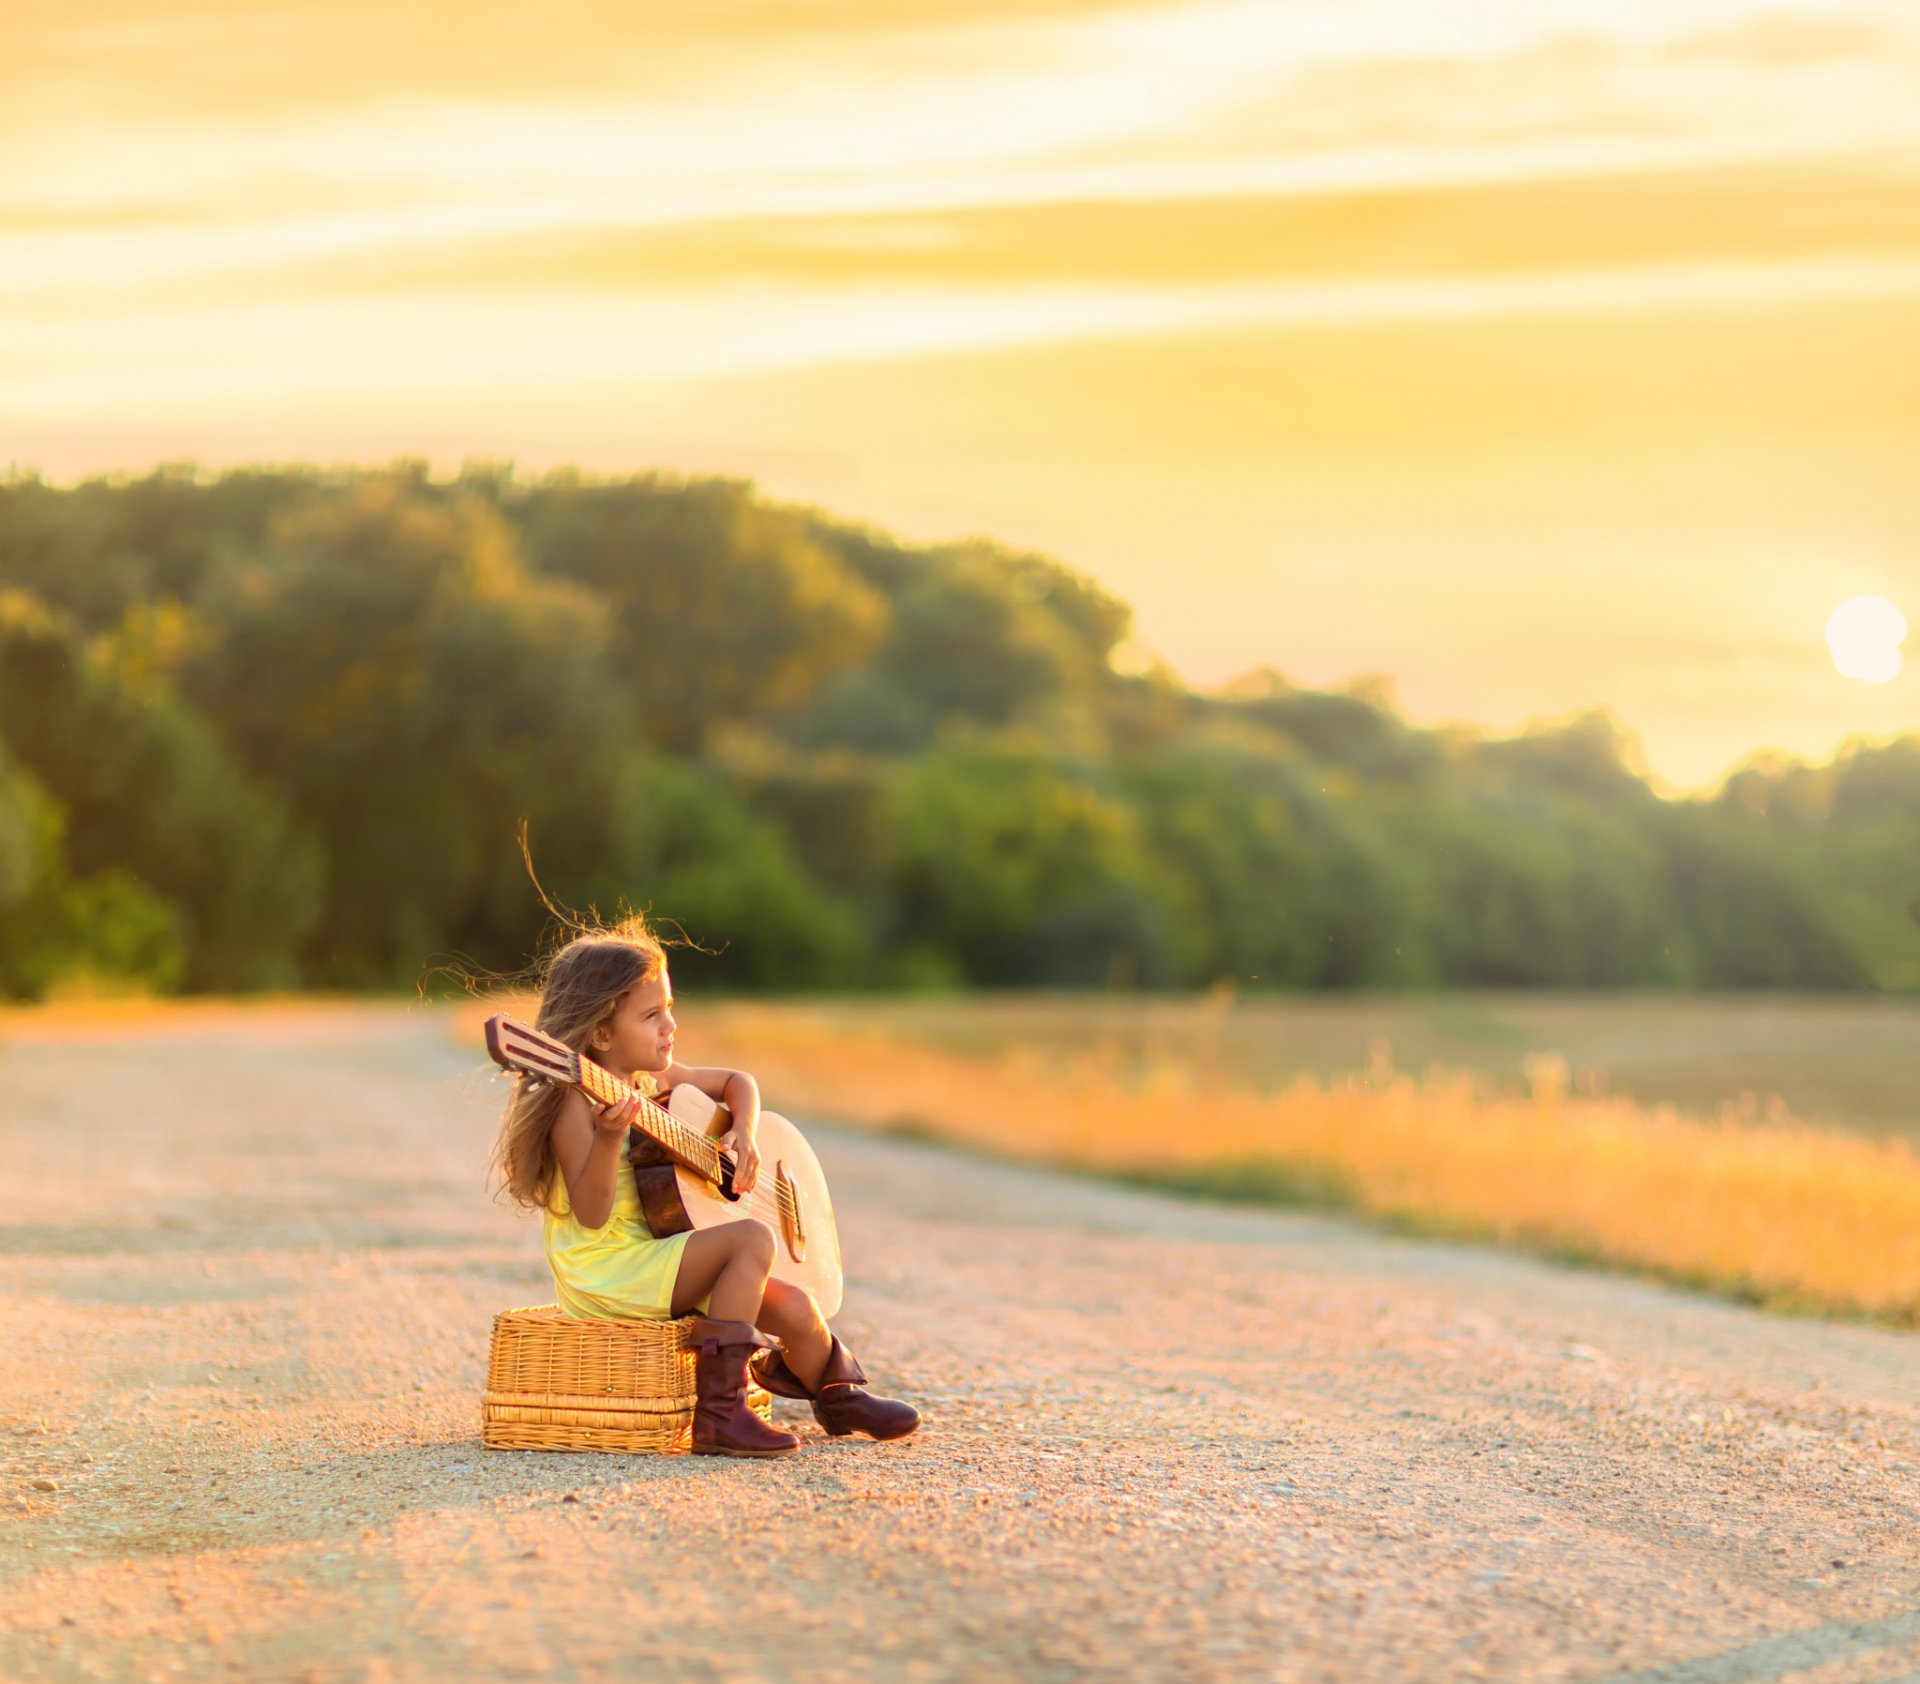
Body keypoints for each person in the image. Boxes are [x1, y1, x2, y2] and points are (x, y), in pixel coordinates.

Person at [490, 916, 919, 1457]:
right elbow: (592, 1216)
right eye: (652, 1015)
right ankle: (721, 1414)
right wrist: (608, 1138)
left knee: (796, 1307)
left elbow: (739, 1082)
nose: (670, 1025)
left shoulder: (651, 1080)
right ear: (601, 1034)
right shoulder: (574, 1105)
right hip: (608, 1267)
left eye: (669, 1007)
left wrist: (745, 1132)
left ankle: (836, 1396)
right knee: (751, 1240)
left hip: (657, 1251)